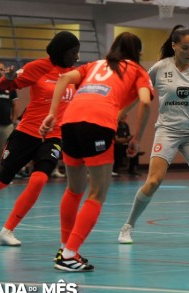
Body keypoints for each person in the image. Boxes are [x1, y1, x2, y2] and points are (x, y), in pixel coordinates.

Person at [39, 31, 154, 272]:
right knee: (97, 193)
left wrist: (51, 113)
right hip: (98, 124)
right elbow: (145, 100)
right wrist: (138, 138)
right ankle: (69, 255)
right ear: (138, 53)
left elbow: (62, 79)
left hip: (69, 121)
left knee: (74, 189)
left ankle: (65, 248)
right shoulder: (137, 70)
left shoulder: (95, 64)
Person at [0, 31, 80, 247]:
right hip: (26, 133)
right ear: (62, 51)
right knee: (2, 179)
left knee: (40, 179)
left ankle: (7, 231)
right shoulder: (38, 67)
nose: (77, 57)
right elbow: (3, 85)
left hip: (53, 136)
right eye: (74, 52)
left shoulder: (74, 73)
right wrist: (9, 79)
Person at [118, 25, 189, 244]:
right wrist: (120, 113)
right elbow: (139, 94)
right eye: (184, 48)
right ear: (174, 46)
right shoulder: (159, 68)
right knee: (153, 181)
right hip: (168, 132)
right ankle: (128, 226)